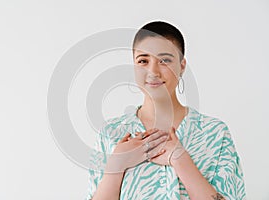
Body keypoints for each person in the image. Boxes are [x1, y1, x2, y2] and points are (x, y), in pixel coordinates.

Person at [86, 21, 246, 200]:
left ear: (182, 65)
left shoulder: (215, 133)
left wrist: (180, 160)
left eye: (164, 60)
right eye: (143, 61)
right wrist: (116, 166)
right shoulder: (110, 134)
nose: (153, 71)